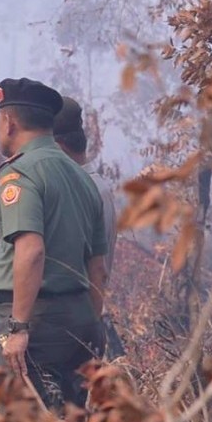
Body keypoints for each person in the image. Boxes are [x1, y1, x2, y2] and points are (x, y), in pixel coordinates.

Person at [0, 78, 108, 410]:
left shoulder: (21, 175)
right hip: (83, 320)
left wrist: (19, 328)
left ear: (8, 122)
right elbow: (98, 268)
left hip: (38, 322)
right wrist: (92, 327)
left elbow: (31, 250)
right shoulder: (82, 178)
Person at [53, 96, 125, 359]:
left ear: (58, 145)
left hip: (72, 328)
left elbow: (94, 269)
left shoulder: (81, 191)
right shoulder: (97, 187)